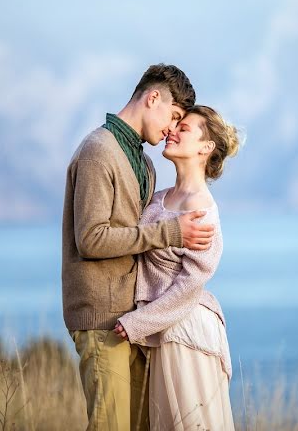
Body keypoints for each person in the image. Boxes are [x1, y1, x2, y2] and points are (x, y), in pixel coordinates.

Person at [61, 63, 216, 431]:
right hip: (101, 319)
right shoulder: (99, 150)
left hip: (133, 324)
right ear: (153, 97)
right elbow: (92, 239)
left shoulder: (145, 164)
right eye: (173, 117)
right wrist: (171, 233)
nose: (171, 131)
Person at [114, 105, 242, 431]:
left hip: (188, 332)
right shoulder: (158, 198)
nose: (173, 130)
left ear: (205, 147)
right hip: (163, 331)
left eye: (183, 128)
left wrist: (137, 322)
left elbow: (189, 287)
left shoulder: (203, 211)